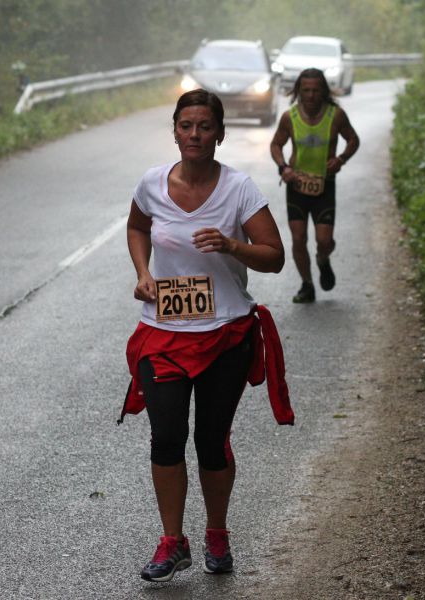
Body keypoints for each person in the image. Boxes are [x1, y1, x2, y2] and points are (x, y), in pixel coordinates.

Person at [121, 89, 294, 583]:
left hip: (225, 334)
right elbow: (137, 228)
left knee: (211, 441)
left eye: (204, 127)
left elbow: (275, 256)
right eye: (185, 126)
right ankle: (173, 542)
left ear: (220, 133)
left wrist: (232, 244)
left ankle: (217, 533)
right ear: (174, 130)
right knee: (166, 436)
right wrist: (143, 271)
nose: (194, 135)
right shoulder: (152, 184)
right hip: (164, 333)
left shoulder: (239, 190)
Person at [270, 68, 360, 303]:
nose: (310, 95)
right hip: (297, 185)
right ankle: (307, 284)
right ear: (298, 90)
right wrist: (283, 168)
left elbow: (353, 139)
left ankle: (322, 258)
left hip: (324, 186)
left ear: (323, 92)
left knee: (325, 240)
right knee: (298, 239)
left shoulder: (336, 115)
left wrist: (340, 159)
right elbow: (276, 145)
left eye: (315, 90)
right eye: (306, 90)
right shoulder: (289, 117)